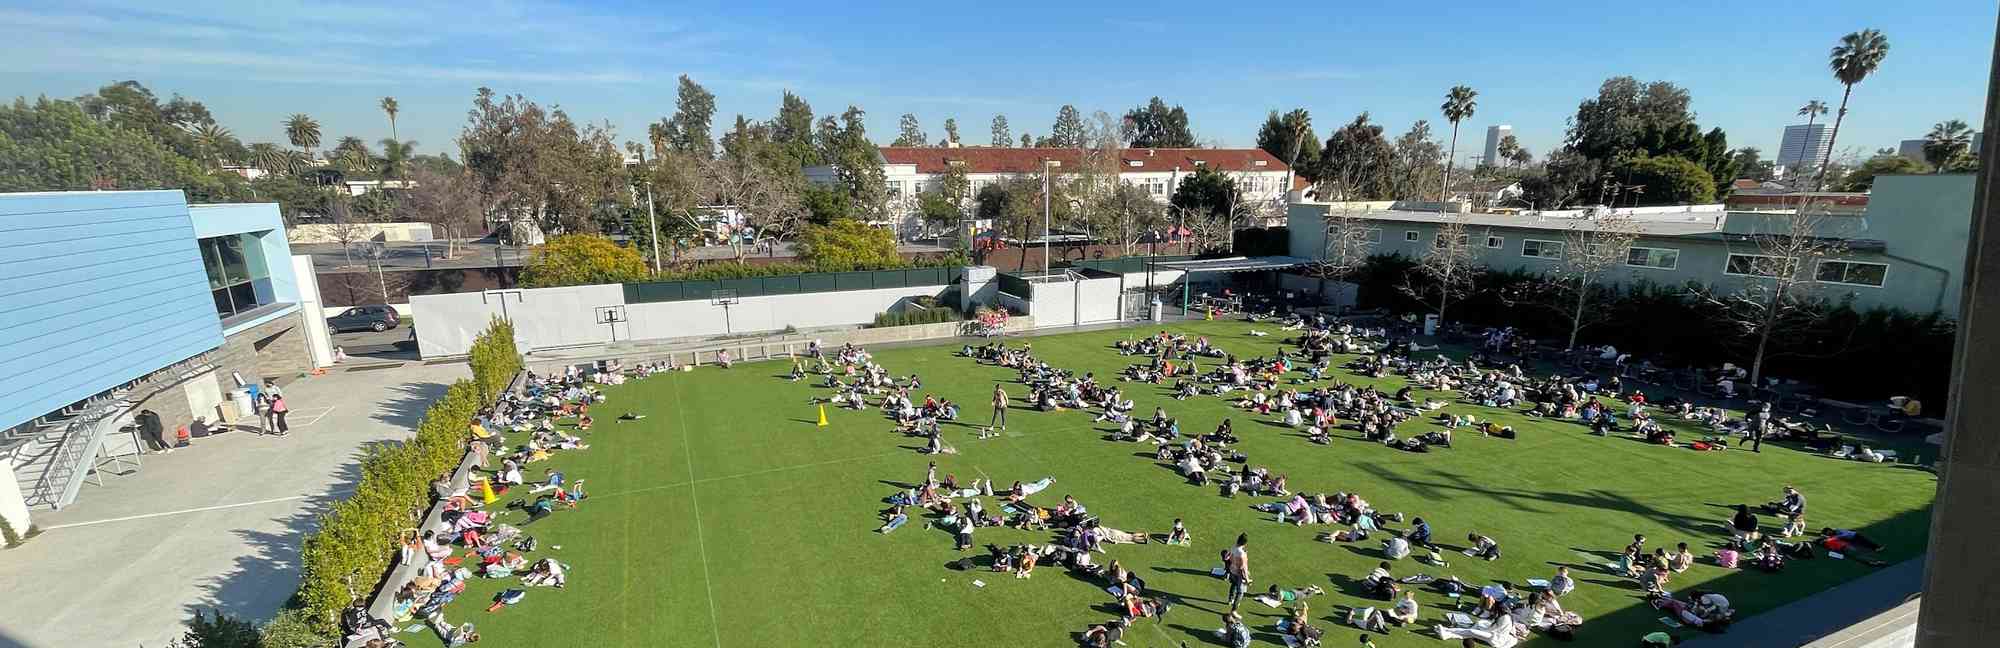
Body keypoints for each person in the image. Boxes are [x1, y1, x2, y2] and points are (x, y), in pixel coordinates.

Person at [1224, 533, 1251, 612]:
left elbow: (1227, 557)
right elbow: (1243, 567)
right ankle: (1234, 610)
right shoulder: (1242, 554)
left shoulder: (1234, 547)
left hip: (1232, 570)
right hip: (1239, 574)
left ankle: (1230, 599)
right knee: (1240, 593)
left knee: (1233, 584)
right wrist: (1247, 579)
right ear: (1245, 543)